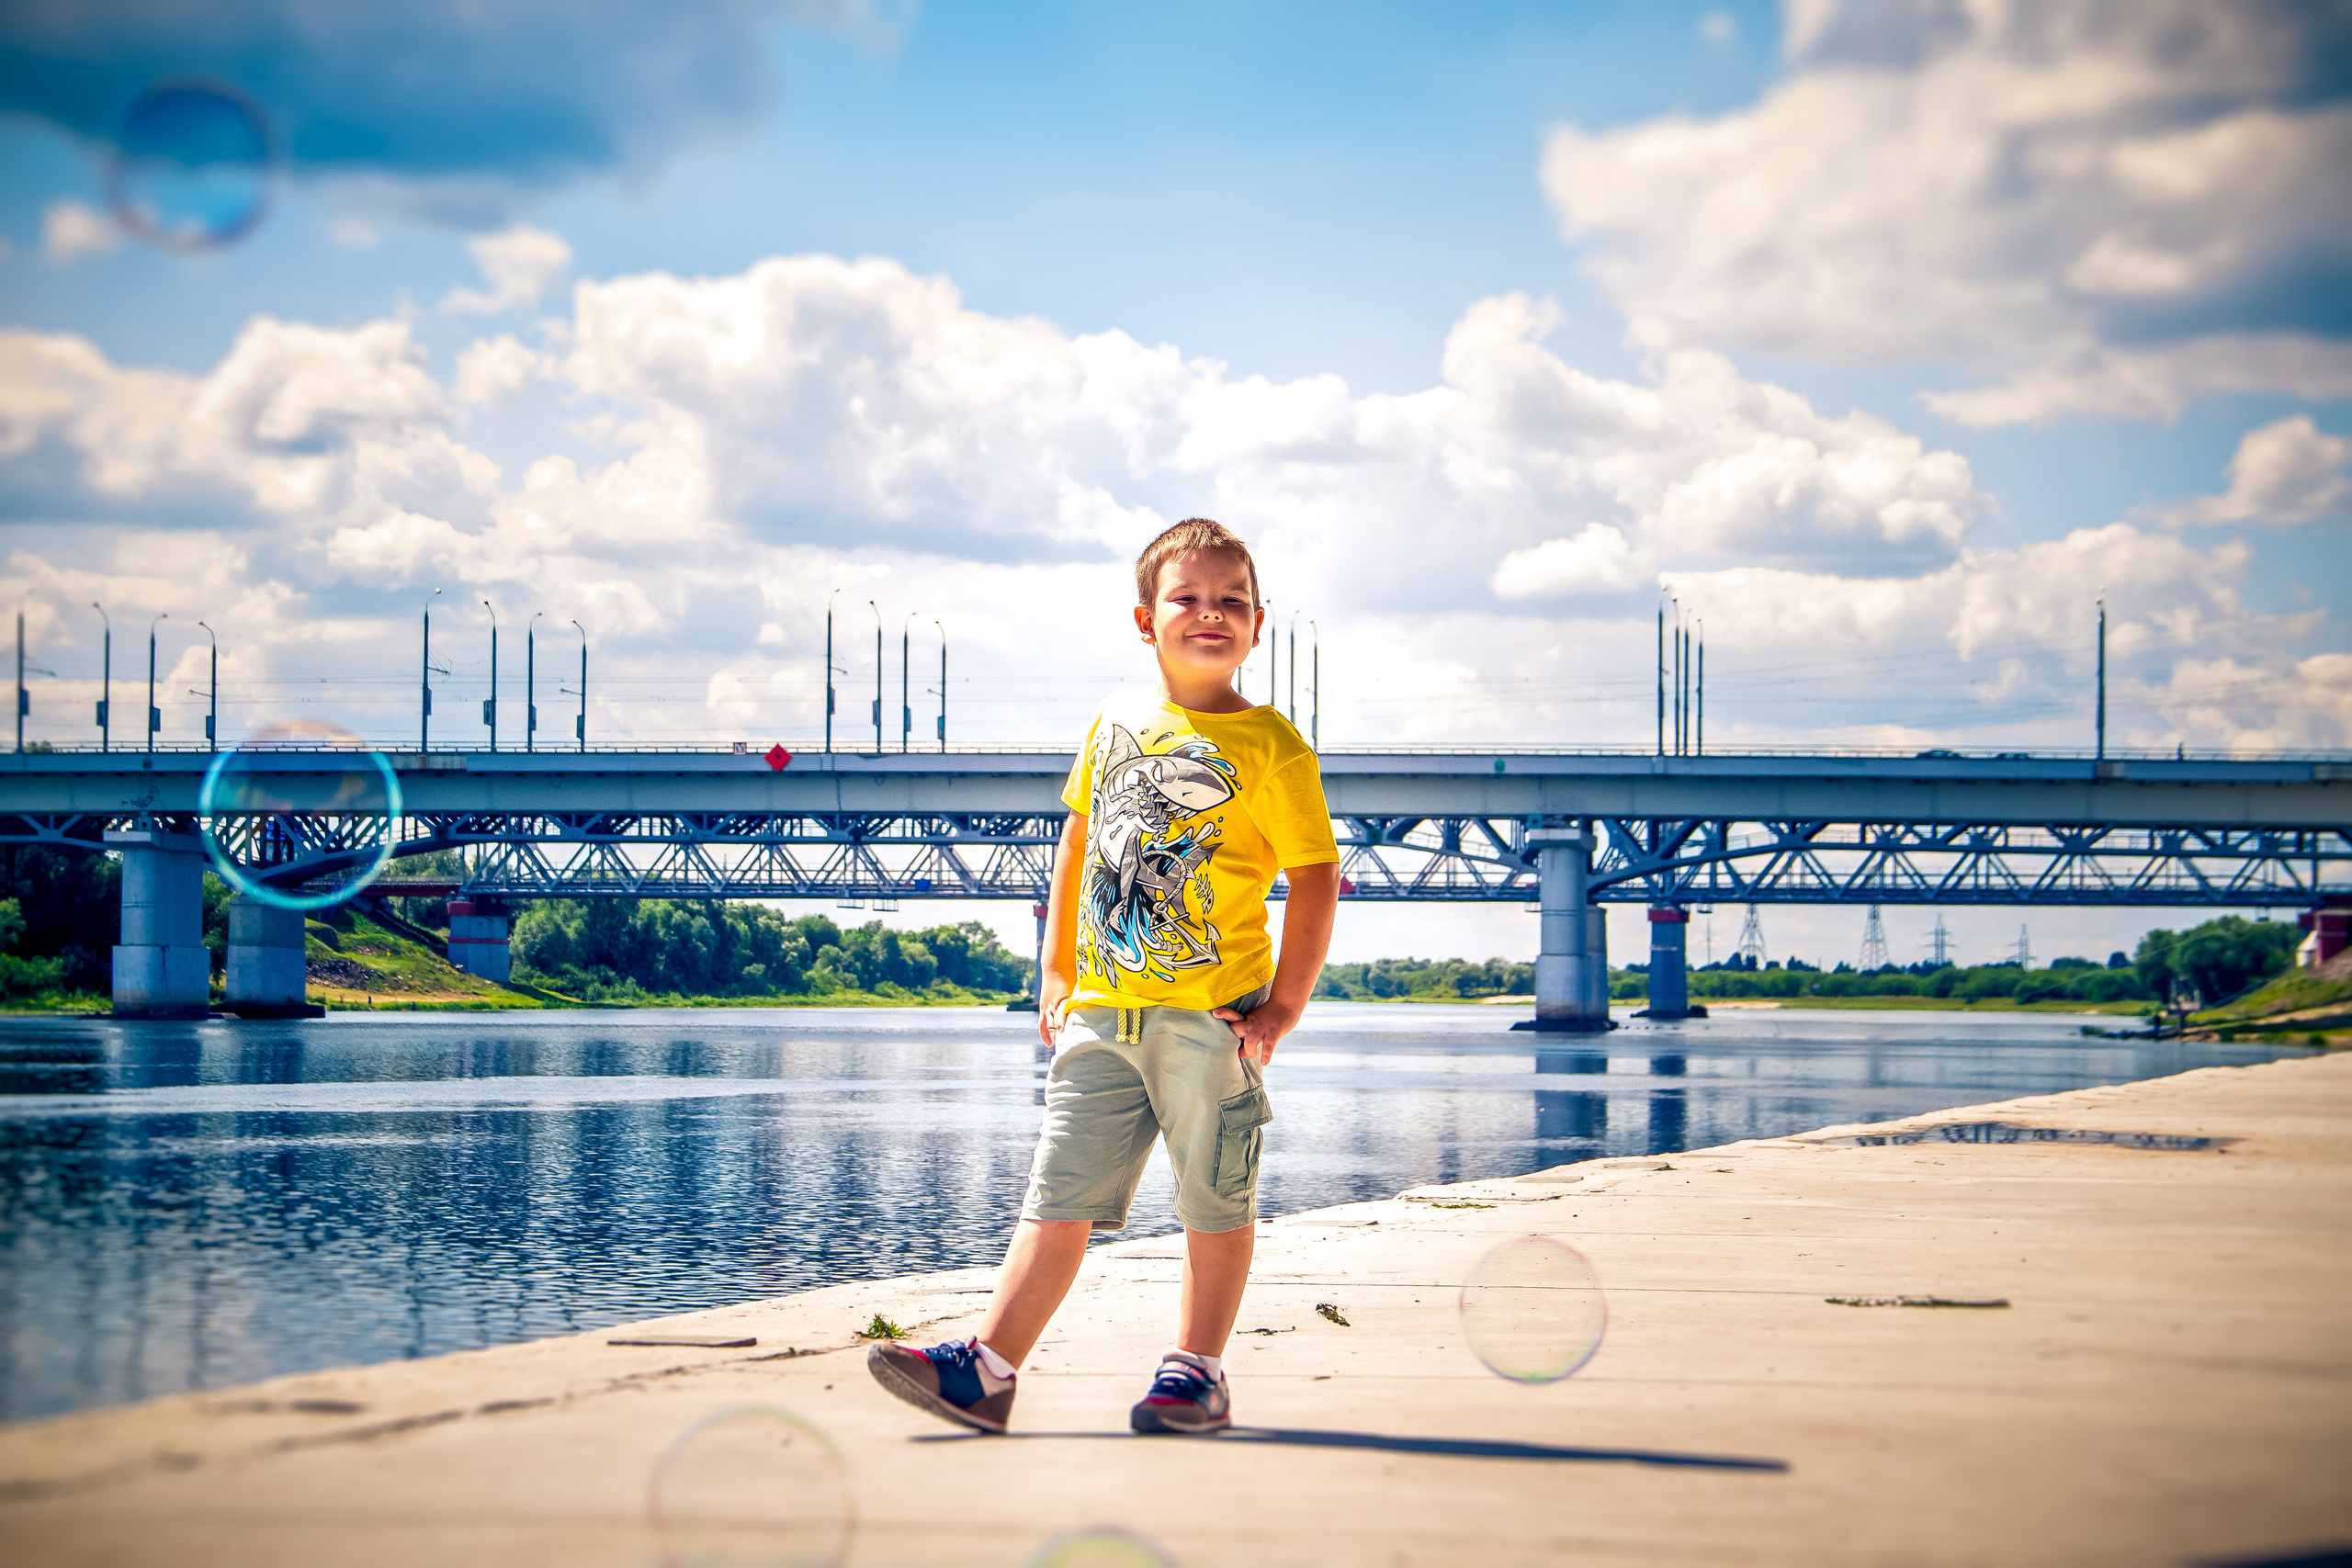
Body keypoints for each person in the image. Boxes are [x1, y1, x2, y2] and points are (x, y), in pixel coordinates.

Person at [868, 517, 1341, 1436]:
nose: (1212, 614)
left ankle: (1195, 1370)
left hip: (1208, 1020)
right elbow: (1079, 841)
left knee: (1214, 1194)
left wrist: (1284, 1004)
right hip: (1098, 1017)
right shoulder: (1116, 719)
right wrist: (1053, 967)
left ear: (1258, 622)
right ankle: (988, 1370)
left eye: (1232, 602)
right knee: (1057, 1194)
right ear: (1144, 618)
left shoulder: (1272, 747)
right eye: (1189, 599)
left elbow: (1316, 876)